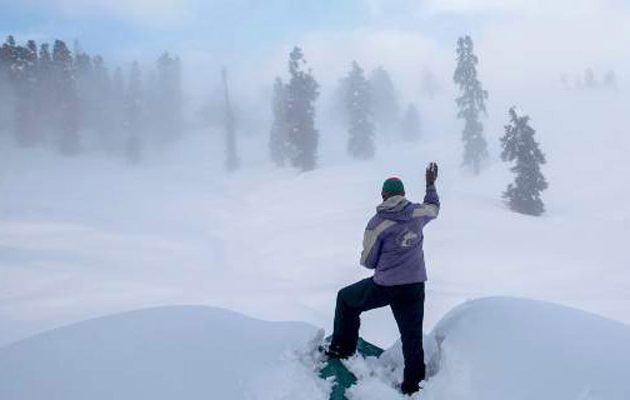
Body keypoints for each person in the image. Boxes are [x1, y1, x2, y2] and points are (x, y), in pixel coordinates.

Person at [326, 162, 440, 395]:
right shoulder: (418, 213)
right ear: (404, 194)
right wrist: (430, 185)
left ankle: (342, 349)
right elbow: (434, 208)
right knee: (412, 337)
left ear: (383, 195)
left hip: (385, 286)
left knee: (346, 300)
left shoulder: (377, 223)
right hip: (414, 286)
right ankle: (413, 387)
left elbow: (368, 261)